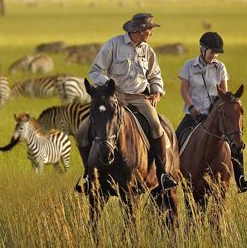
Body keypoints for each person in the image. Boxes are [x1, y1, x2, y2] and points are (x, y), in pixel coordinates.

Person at [75, 12, 178, 192]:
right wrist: (108, 86)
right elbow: (95, 71)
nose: (151, 34)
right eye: (149, 30)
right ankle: (88, 176)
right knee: (83, 130)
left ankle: (162, 173)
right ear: (139, 30)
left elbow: (155, 75)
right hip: (115, 96)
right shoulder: (113, 45)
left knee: (156, 126)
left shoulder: (148, 50)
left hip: (139, 98)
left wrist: (156, 92)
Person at [176, 31, 247, 193]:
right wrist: (191, 107)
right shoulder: (189, 66)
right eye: (212, 52)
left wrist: (221, 107)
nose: (214, 56)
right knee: (176, 140)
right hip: (194, 115)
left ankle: (241, 179)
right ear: (202, 49)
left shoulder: (220, 67)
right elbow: (184, 90)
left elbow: (224, 93)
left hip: (215, 115)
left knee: (235, 142)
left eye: (217, 53)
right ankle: (171, 176)